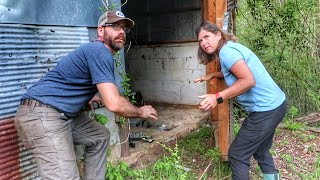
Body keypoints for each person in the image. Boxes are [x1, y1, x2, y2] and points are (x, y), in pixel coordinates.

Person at [14, 10, 158, 180]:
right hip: (43, 115)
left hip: (58, 114)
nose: (121, 32)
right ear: (101, 31)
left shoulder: (96, 52)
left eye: (124, 29)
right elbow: (114, 104)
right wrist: (141, 112)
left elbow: (71, 80)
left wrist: (89, 96)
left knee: (99, 136)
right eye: (115, 26)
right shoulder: (99, 50)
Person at [194, 21, 287, 180]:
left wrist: (217, 96)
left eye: (206, 37)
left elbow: (248, 80)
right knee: (261, 150)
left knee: (237, 155)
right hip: (276, 105)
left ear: (218, 34)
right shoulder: (229, 48)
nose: (204, 43)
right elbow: (234, 71)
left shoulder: (226, 52)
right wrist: (212, 75)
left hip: (265, 110)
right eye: (200, 40)